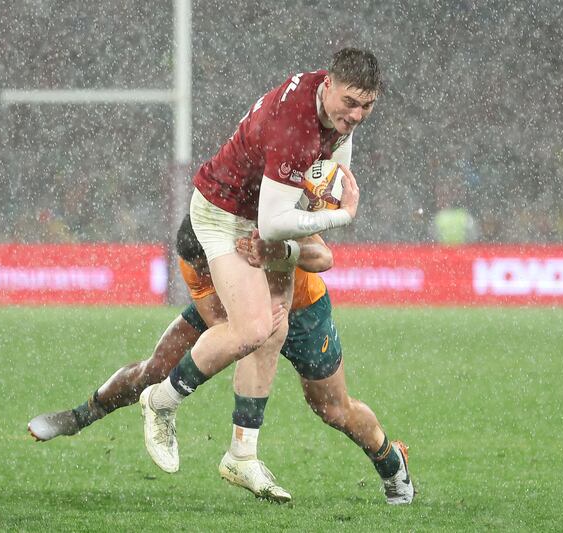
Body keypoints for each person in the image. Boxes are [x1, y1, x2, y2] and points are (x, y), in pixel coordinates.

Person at [28, 215, 414, 505]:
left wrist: (281, 251)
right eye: (196, 268)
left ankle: (391, 463)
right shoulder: (195, 258)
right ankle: (79, 416)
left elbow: (323, 255)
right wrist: (251, 323)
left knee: (332, 408)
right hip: (236, 306)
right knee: (157, 368)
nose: (198, 273)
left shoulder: (263, 219)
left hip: (302, 310)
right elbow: (224, 328)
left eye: (205, 266)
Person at [142, 48, 382, 477]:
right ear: (328, 85)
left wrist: (321, 194)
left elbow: (332, 160)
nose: (358, 114)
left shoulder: (327, 103)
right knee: (251, 329)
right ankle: (160, 403)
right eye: (350, 103)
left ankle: (242, 455)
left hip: (258, 210)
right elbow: (273, 225)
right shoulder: (296, 129)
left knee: (274, 324)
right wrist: (340, 214)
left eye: (367, 105)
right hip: (224, 213)